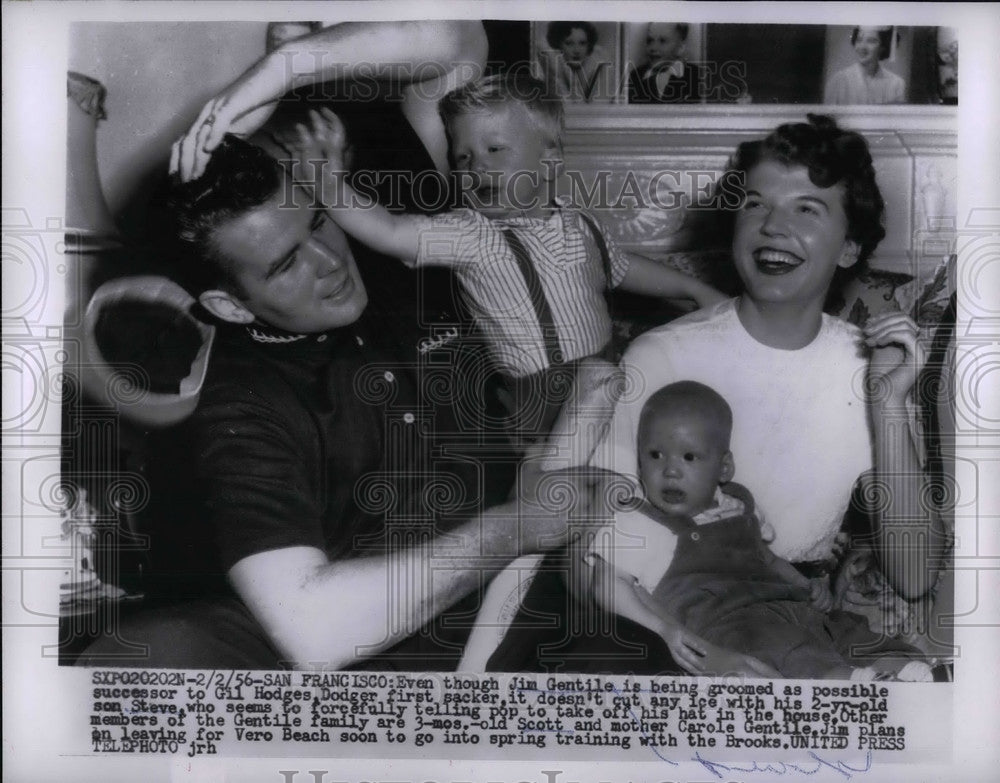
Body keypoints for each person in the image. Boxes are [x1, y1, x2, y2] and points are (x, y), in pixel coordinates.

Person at [76, 21, 616, 670]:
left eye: (318, 222)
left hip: (548, 587)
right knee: (145, 654)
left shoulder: (401, 240)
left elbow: (460, 42)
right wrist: (517, 526)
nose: (330, 262)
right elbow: (316, 634)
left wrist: (284, 68)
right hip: (392, 625)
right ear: (229, 305)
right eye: (286, 265)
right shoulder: (241, 401)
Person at [489, 114, 947, 674]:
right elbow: (584, 561)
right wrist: (693, 649)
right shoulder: (662, 356)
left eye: (806, 209)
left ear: (849, 247)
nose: (772, 226)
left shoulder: (870, 368)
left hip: (794, 612)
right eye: (755, 204)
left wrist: (889, 407)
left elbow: (915, 574)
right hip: (671, 615)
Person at [284, 73, 725, 439]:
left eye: (495, 150)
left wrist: (693, 288)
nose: (477, 167)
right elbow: (388, 231)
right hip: (540, 404)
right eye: (463, 157)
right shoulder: (469, 233)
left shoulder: (581, 224)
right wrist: (329, 185)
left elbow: (624, 268)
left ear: (549, 161)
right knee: (563, 488)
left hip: (608, 376)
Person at [582, 381, 932, 680]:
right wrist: (667, 631)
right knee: (787, 649)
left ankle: (904, 671)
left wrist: (805, 586)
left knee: (845, 630)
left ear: (724, 467)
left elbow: (767, 558)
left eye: (689, 457)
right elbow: (607, 584)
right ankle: (847, 685)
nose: (670, 471)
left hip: (788, 606)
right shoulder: (638, 520)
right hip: (732, 628)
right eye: (655, 455)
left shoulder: (739, 503)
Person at [824, 26, 906, 105]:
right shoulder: (839, 81)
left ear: (883, 46)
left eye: (871, 41)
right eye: (859, 40)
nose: (862, 47)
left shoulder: (896, 84)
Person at [536, 21, 615, 103]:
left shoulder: (602, 68)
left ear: (589, 46)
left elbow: (594, 109)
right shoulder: (553, 67)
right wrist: (560, 73)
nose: (577, 51)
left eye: (582, 43)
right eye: (569, 43)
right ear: (558, 45)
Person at [628, 23, 703, 104]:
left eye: (662, 41)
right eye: (650, 40)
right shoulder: (635, 76)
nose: (653, 48)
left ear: (680, 47)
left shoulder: (697, 76)